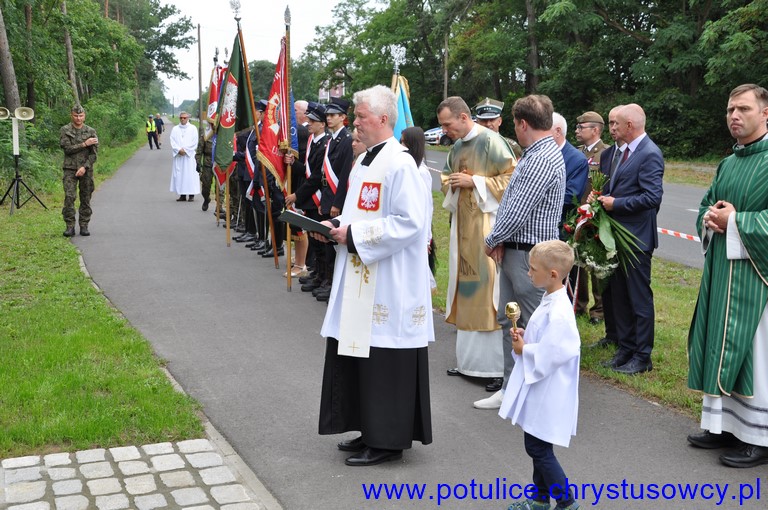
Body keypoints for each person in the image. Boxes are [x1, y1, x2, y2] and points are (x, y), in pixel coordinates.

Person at [315, 85, 433, 467]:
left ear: (383, 119)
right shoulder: (365, 161)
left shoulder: (401, 164)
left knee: (384, 359)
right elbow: (359, 214)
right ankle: (369, 428)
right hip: (362, 274)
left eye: (361, 116)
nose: (355, 122)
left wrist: (354, 235)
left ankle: (388, 440)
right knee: (359, 354)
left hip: (390, 282)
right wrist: (335, 225)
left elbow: (410, 223)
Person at [687, 83, 768, 468]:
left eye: (744, 109)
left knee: (756, 354)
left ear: (765, 113)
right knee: (718, 344)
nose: (734, 116)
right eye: (730, 110)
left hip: (757, 280)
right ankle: (723, 426)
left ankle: (760, 436)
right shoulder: (728, 162)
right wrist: (710, 217)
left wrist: (734, 221)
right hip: (723, 272)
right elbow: (709, 203)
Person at [477, 94, 565, 410]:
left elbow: (517, 211)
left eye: (514, 124)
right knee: (511, 320)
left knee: (533, 325)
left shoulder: (541, 158)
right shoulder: (536, 153)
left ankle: (538, 394)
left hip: (530, 256)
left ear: (522, 124)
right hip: (519, 251)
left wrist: (491, 239)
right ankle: (511, 387)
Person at [437, 96, 516, 395]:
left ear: (463, 117)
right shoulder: (457, 146)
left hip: (487, 227)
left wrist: (477, 183)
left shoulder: (491, 141)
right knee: (465, 287)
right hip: (463, 228)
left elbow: (512, 178)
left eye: (447, 124)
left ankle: (494, 368)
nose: (445, 131)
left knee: (488, 290)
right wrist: (453, 183)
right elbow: (446, 177)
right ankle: (468, 362)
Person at [499, 240, 581, 510]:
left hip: (549, 390)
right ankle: (540, 498)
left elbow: (555, 351)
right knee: (537, 443)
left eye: (533, 269)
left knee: (538, 448)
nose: (528, 273)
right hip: (542, 388)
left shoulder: (559, 312)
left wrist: (525, 349)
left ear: (553, 274)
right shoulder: (551, 300)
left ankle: (566, 501)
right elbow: (546, 341)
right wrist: (526, 337)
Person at [596, 103, 664, 375]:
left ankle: (643, 355)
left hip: (636, 240)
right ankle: (625, 349)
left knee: (638, 299)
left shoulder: (649, 153)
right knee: (621, 297)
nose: (613, 127)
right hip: (618, 238)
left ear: (630, 126)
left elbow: (652, 197)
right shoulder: (622, 152)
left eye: (617, 123)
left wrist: (617, 204)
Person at [573, 111, 608, 325]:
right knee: (577, 261)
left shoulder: (606, 153)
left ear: (595, 130)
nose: (577, 131)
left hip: (596, 216)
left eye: (581, 127)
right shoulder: (577, 152)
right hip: (576, 214)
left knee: (596, 263)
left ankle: (599, 310)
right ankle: (578, 304)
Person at [400, 126, 437, 276]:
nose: (401, 146)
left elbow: (427, 205)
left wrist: (427, 238)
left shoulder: (421, 172)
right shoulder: (405, 167)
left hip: (419, 228)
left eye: (404, 142)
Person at [59, 104, 98, 237]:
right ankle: (70, 226)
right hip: (70, 169)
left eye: (81, 116)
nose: (78, 118)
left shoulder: (91, 131)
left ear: (84, 116)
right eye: (76, 116)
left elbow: (94, 155)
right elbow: (67, 149)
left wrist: (84, 167)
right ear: (71, 116)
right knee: (69, 197)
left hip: (86, 169)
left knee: (85, 197)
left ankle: (84, 225)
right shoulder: (65, 130)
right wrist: (84, 144)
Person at [169, 112, 200, 202]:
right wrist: (178, 150)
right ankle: (182, 195)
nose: (182, 119)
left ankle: (191, 195)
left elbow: (194, 142)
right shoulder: (175, 129)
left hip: (189, 157)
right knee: (180, 176)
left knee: (190, 175)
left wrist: (185, 150)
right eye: (181, 118)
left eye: (184, 118)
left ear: (188, 118)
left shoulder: (193, 128)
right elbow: (172, 141)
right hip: (179, 156)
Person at [195, 122, 214, 211]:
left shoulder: (222, 136)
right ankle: (206, 199)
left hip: (219, 164)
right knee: (205, 186)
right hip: (207, 164)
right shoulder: (205, 136)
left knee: (220, 188)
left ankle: (219, 207)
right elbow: (199, 151)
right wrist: (198, 163)